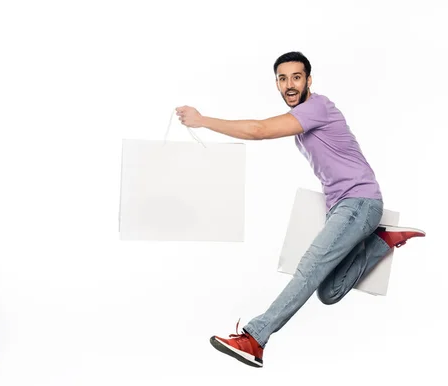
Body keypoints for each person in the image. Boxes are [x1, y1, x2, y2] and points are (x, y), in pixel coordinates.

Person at [175, 51, 425, 368]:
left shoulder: (317, 107)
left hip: (359, 203)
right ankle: (379, 243)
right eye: (283, 78)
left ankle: (255, 338)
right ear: (277, 84)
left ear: (308, 80)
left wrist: (202, 120)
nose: (290, 84)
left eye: (296, 77)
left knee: (308, 270)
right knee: (329, 292)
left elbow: (258, 130)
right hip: (345, 209)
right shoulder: (302, 125)